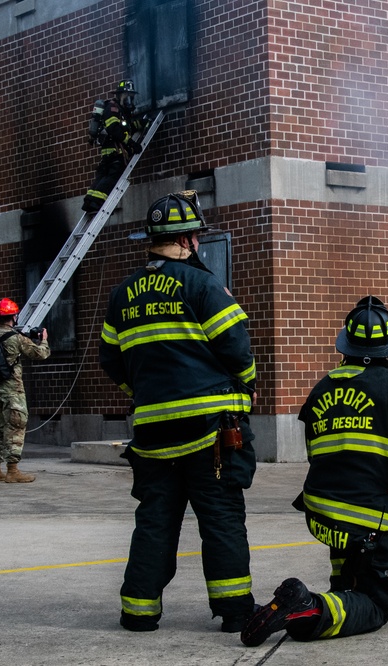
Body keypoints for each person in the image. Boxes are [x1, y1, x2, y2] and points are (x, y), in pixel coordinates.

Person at [241, 296, 388, 647]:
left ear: (345, 346)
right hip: (369, 517)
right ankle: (307, 606)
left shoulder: (322, 388)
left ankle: (338, 592)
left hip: (322, 511)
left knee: (350, 557)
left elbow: (316, 451)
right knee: (379, 603)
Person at [99, 192, 258, 634]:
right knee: (221, 518)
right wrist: (245, 390)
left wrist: (144, 392)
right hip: (212, 432)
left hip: (152, 434)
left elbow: (111, 361)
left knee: (154, 521)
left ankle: (139, 611)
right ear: (189, 239)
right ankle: (235, 612)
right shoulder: (204, 286)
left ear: (151, 239)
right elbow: (237, 350)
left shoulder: (121, 295)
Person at [0, 298, 51, 483]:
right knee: (16, 424)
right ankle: (13, 470)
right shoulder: (15, 337)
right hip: (12, 387)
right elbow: (40, 354)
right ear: (14, 316)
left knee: (0, 426)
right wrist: (43, 340)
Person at [82, 79, 149, 213]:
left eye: (132, 97)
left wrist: (143, 122)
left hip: (110, 151)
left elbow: (128, 127)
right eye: (127, 96)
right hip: (115, 150)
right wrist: (131, 143)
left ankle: (89, 201)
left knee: (102, 175)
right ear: (119, 95)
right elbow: (114, 128)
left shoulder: (122, 111)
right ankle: (97, 202)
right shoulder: (113, 108)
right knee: (112, 176)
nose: (130, 100)